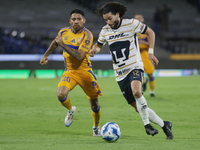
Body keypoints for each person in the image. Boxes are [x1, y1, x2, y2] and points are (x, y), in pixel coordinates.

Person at [89, 2, 173, 139]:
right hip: (119, 74)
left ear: (117, 14)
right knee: (137, 108)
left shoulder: (131, 23)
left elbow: (150, 32)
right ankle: (164, 125)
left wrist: (151, 53)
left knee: (137, 91)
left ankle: (147, 126)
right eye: (106, 20)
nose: (108, 22)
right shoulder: (105, 30)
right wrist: (94, 50)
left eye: (110, 18)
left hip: (134, 66)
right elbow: (98, 45)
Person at [40, 9, 102, 136]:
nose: (76, 21)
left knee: (95, 104)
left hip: (85, 72)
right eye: (73, 19)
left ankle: (96, 127)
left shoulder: (87, 35)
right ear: (70, 21)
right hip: (70, 72)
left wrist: (62, 44)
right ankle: (71, 109)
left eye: (79, 19)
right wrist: (46, 55)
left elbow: (79, 56)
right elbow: (55, 42)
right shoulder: (63, 31)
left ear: (84, 21)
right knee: (61, 95)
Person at [134, 14, 156, 97]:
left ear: (143, 20)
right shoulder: (132, 31)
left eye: (140, 18)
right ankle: (143, 81)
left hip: (146, 55)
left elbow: (151, 43)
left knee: (150, 74)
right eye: (136, 18)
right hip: (136, 56)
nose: (138, 19)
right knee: (138, 73)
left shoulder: (147, 31)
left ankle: (152, 91)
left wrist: (143, 43)